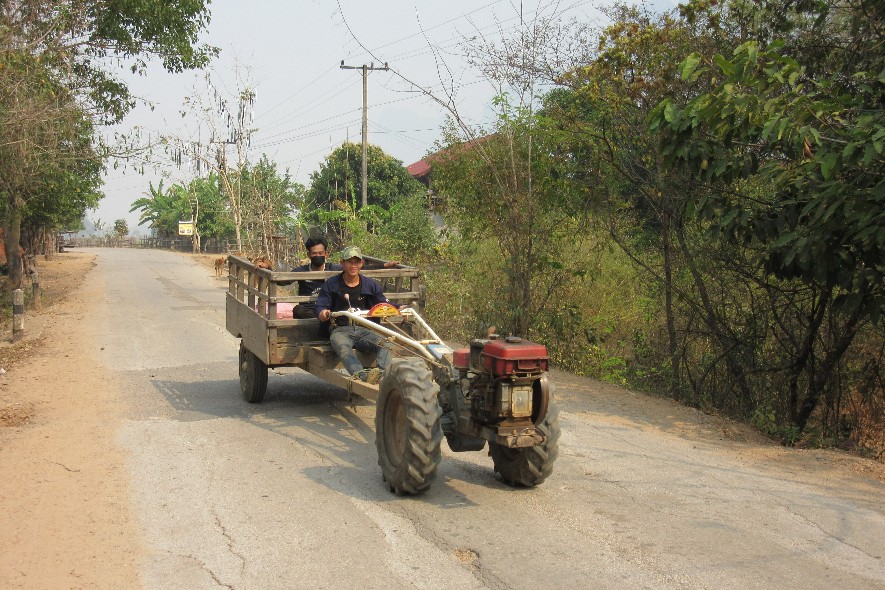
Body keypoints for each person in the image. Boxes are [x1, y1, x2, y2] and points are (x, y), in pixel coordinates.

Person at [315, 246, 393, 383]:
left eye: (356, 262)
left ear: (361, 263)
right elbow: (321, 305)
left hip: (364, 330)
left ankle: (381, 375)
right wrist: (323, 313)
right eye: (349, 262)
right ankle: (362, 376)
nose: (353, 265)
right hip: (340, 330)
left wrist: (399, 308)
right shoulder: (331, 284)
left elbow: (383, 303)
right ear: (342, 263)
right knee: (343, 348)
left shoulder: (370, 284)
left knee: (386, 343)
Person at [291, 237, 341, 319]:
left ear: (326, 254)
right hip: (309, 310)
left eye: (320, 253)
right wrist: (269, 268)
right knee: (298, 310)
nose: (318, 256)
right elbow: (282, 280)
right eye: (314, 253)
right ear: (309, 255)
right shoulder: (302, 271)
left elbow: (352, 270)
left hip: (328, 309)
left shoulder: (334, 269)